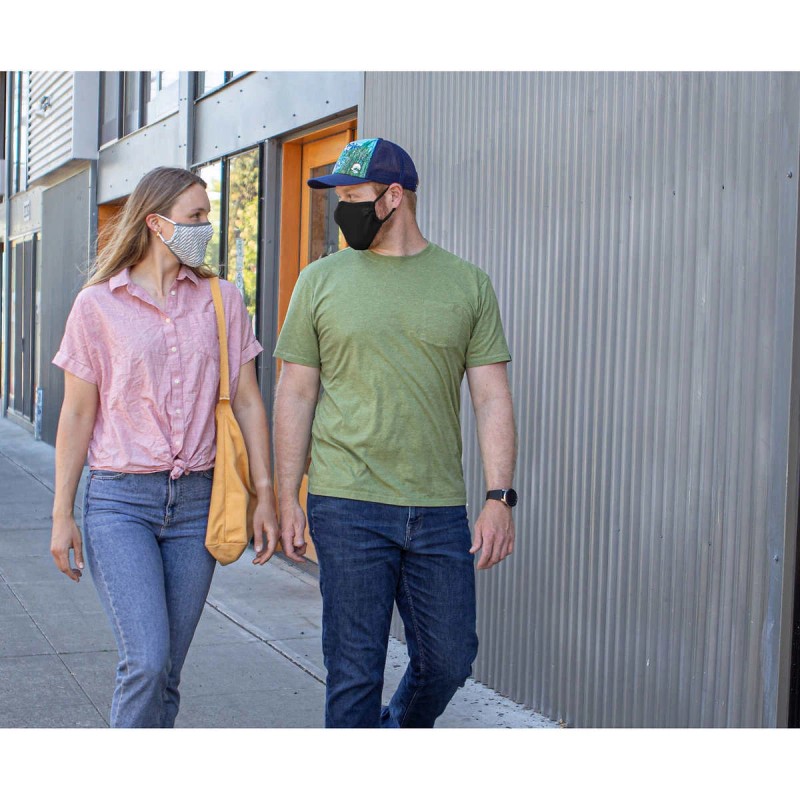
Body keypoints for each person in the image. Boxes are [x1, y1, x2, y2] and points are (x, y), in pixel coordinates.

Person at [273, 137, 517, 728]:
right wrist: (285, 495)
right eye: (338, 199)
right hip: (346, 502)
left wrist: (499, 497)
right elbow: (296, 393)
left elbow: (490, 396)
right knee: (354, 671)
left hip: (437, 506)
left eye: (354, 198)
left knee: (449, 659)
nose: (342, 211)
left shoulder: (467, 284)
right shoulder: (319, 281)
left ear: (394, 197)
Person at [49, 166, 279, 728]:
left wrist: (265, 494)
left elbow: (248, 401)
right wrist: (61, 513)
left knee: (168, 670)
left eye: (207, 215)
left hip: (198, 504)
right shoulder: (97, 306)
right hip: (119, 502)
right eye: (195, 216)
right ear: (155, 222)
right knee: (147, 661)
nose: (206, 227)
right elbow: (77, 413)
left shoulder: (223, 300)